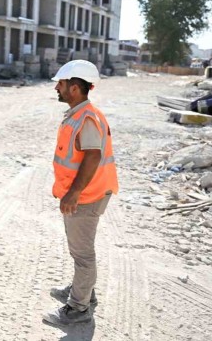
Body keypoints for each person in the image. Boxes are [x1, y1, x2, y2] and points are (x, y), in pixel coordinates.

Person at [42, 60, 118, 326]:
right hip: (87, 193)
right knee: (80, 250)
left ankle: (78, 308)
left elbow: (92, 156)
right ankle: (83, 290)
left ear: (74, 88)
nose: (57, 88)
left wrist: (73, 193)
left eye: (60, 84)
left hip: (87, 196)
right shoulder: (81, 114)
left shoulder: (85, 118)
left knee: (83, 255)